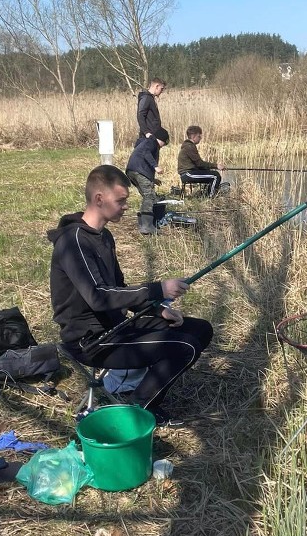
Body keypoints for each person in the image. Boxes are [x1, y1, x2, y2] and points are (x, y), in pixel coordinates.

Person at [48, 165, 213, 425]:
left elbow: (120, 288)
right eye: (121, 200)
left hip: (116, 325)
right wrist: (158, 288)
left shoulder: (104, 237)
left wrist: (159, 309)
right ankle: (140, 409)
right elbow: (98, 296)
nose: (126, 206)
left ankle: (141, 398)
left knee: (200, 329)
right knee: (184, 347)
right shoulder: (73, 242)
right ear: (99, 199)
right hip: (89, 339)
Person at [126, 127, 169, 234]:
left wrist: (152, 179)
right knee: (149, 196)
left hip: (132, 171)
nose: (163, 146)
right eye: (165, 143)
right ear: (162, 140)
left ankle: (143, 224)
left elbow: (141, 158)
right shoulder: (152, 143)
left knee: (147, 196)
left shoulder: (145, 142)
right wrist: (156, 167)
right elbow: (146, 154)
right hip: (139, 171)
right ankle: (147, 226)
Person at [178, 125, 224, 196]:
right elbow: (199, 163)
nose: (200, 138)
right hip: (187, 174)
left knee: (211, 173)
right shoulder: (189, 147)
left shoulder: (188, 146)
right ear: (193, 136)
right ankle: (211, 198)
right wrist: (216, 166)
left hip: (188, 173)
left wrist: (210, 168)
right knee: (215, 176)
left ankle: (206, 194)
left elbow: (198, 164)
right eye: (199, 136)